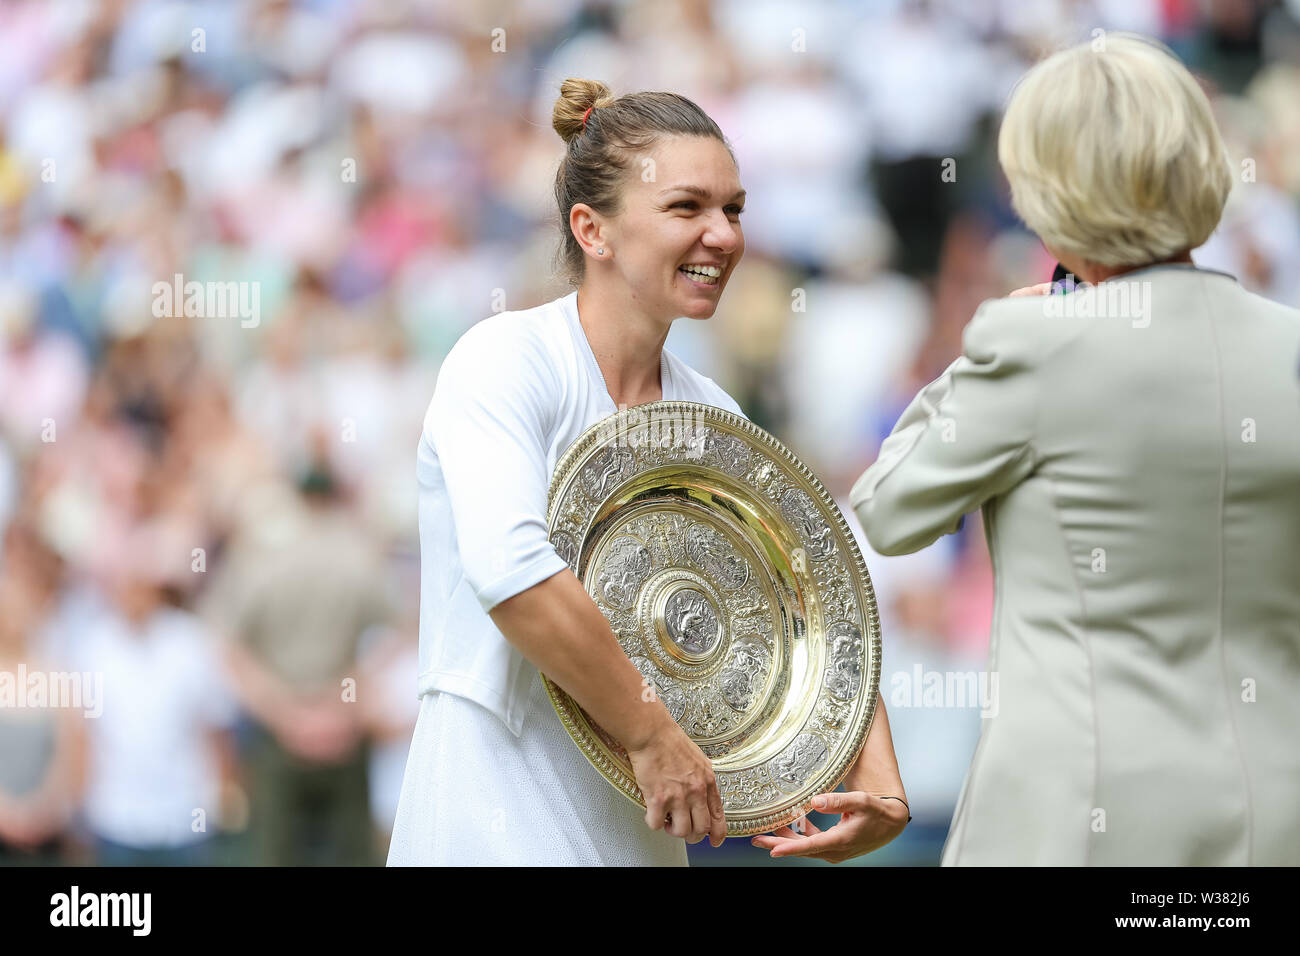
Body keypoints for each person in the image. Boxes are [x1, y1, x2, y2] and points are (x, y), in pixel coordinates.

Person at [387, 78, 908, 865]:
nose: (724, 236)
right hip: (489, 807)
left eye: (733, 209)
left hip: (646, 830)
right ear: (592, 231)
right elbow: (512, 572)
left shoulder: (713, 410)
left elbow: (806, 592)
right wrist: (653, 734)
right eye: (686, 208)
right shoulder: (502, 360)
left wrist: (877, 773)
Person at [850, 33, 1300, 865]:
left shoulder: (1033, 346)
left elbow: (888, 507)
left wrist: (994, 342)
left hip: (1073, 819)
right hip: (1271, 813)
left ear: (1048, 190)